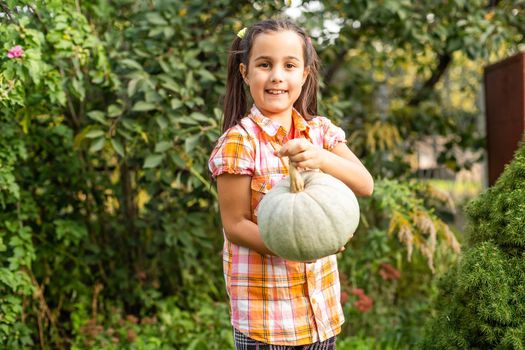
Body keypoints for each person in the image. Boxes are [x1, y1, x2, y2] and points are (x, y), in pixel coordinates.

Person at [208, 18, 374, 349]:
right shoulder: (240, 142)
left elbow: (365, 184)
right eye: (264, 65)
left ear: (305, 74)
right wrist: (299, 246)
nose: (277, 76)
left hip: (320, 313)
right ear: (245, 73)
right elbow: (235, 225)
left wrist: (321, 158)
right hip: (266, 320)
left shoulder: (320, 133)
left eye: (289, 65)